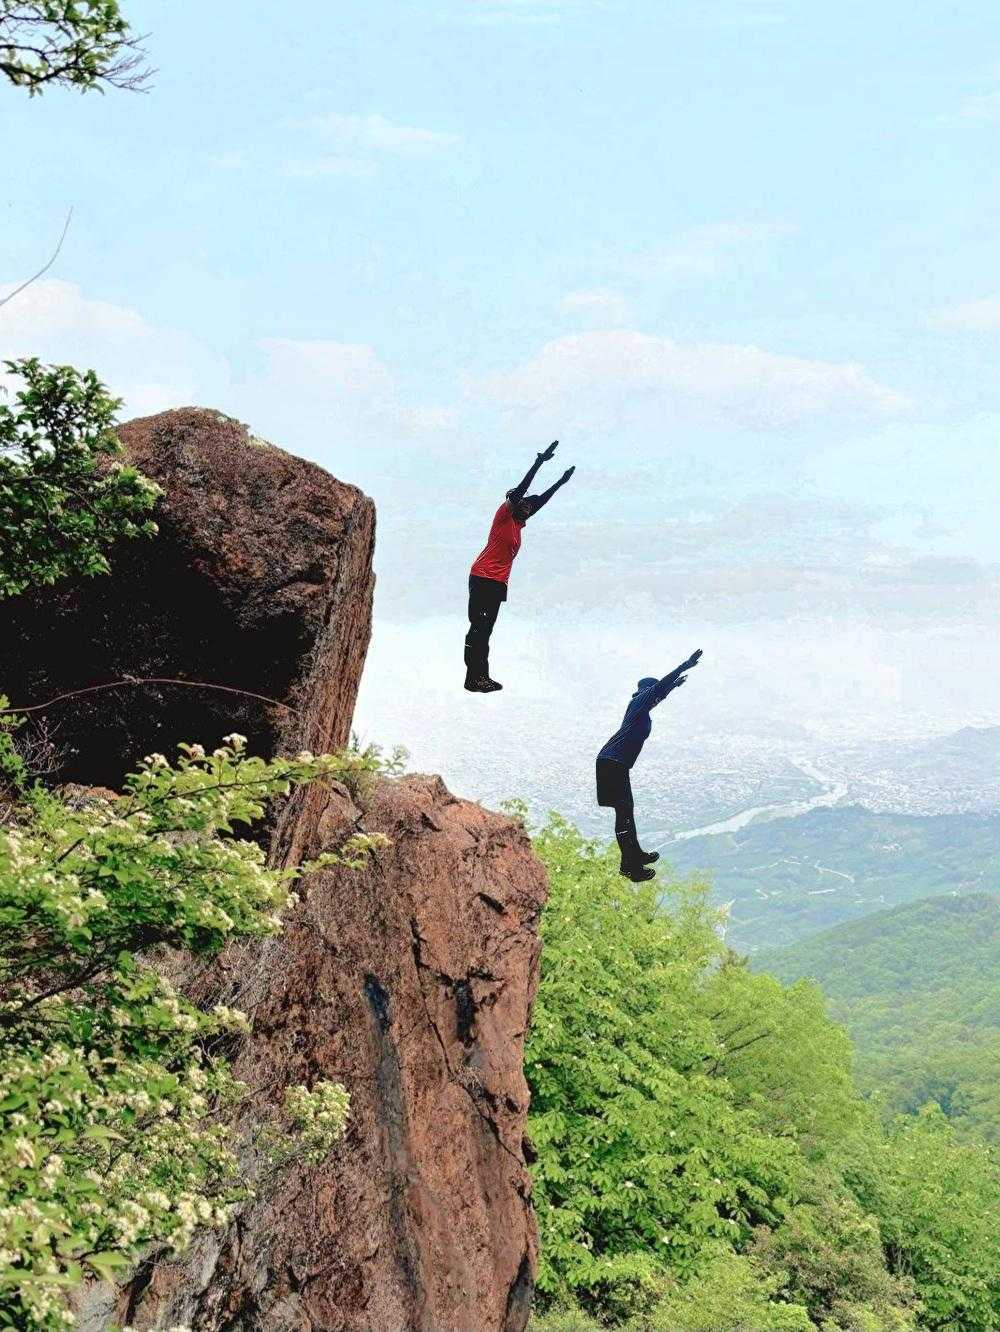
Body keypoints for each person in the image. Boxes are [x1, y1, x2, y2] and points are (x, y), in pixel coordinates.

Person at [464, 440, 575, 692]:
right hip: (482, 577)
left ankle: (481, 676)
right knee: (478, 629)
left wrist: (560, 483)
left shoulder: (518, 525)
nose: (527, 506)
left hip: (497, 584)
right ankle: (473, 679)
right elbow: (520, 492)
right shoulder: (504, 517)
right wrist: (538, 463)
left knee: (486, 631)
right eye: (522, 503)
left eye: (529, 507)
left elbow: (540, 501)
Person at [596, 649, 703, 881]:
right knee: (624, 812)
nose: (657, 699)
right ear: (646, 692)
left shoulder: (641, 708)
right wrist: (684, 665)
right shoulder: (637, 702)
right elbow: (659, 689)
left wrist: (673, 686)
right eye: (654, 694)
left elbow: (660, 692)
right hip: (611, 762)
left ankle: (634, 856)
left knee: (626, 811)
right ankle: (630, 866)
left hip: (616, 763)